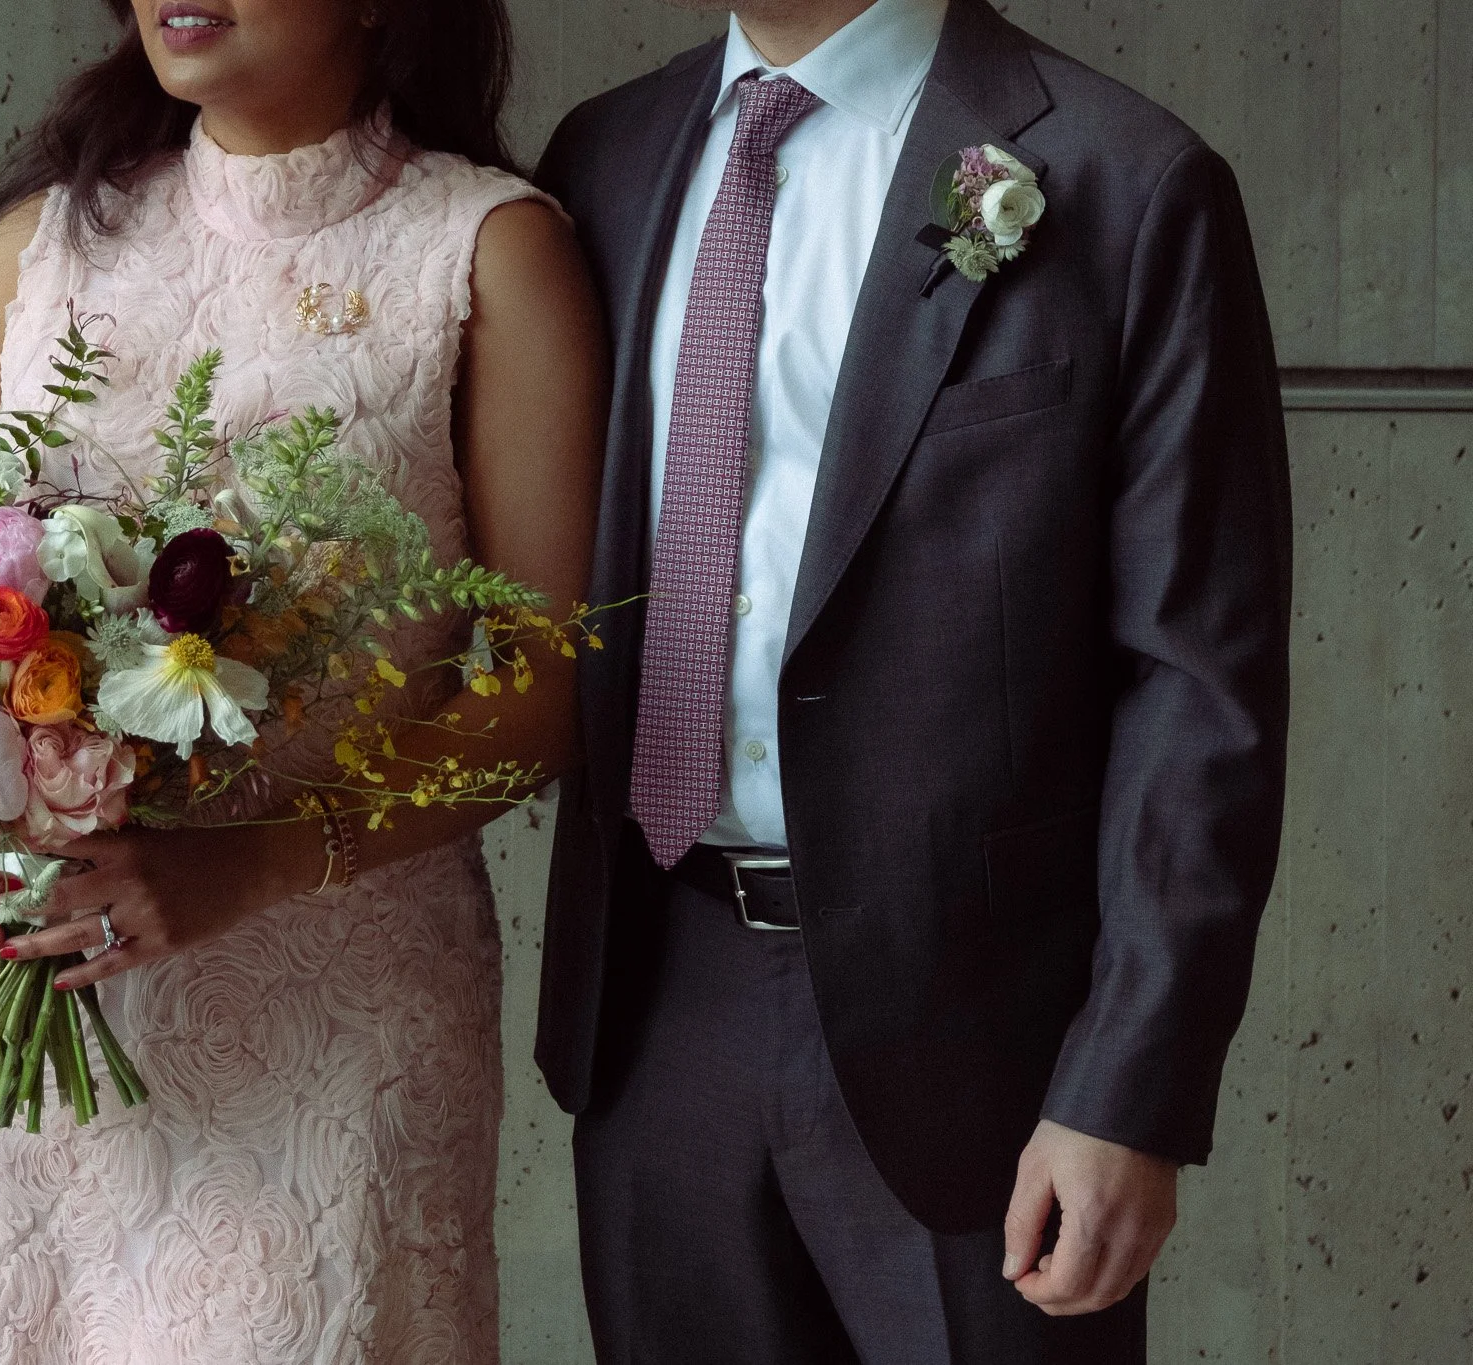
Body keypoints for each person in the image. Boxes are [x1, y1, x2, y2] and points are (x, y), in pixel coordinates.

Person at [0, 1, 605, 1360]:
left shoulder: (489, 250)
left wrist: (252, 864)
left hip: (329, 1002)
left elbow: (547, 690)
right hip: (19, 973)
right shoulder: (39, 247)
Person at [534, 0, 1290, 1359]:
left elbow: (1198, 686)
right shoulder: (605, 154)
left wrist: (1128, 1087)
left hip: (981, 1040)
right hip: (660, 1004)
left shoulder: (1127, 176)